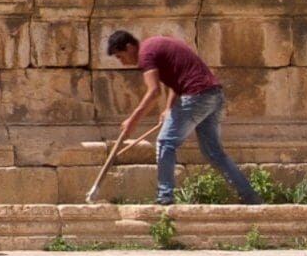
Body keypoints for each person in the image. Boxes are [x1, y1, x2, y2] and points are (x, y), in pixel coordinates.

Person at [105, 28, 246, 205]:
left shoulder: (145, 55)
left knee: (165, 142)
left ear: (129, 47)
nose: (123, 62)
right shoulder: (156, 44)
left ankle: (164, 197)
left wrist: (132, 120)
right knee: (214, 153)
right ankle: (250, 197)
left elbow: (154, 91)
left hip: (196, 96)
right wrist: (168, 109)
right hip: (213, 95)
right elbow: (177, 78)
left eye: (120, 56)